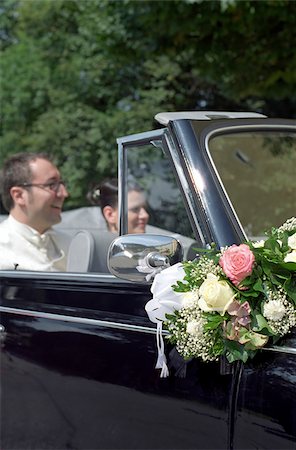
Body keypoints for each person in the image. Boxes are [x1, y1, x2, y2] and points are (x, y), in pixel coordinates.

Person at [0, 152, 70, 271]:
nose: (64, 194)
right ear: (19, 195)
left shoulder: (73, 246)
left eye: (61, 184)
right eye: (51, 185)